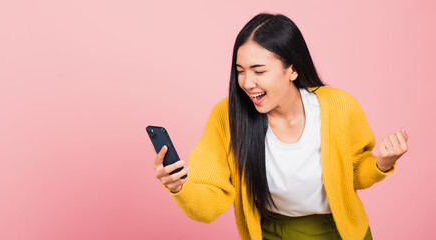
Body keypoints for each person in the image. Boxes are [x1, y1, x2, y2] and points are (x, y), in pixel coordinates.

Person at [152, 13, 408, 240]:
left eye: (259, 71)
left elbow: (353, 173)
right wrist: (180, 187)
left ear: (292, 70)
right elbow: (208, 205)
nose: (247, 82)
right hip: (273, 233)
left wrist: (381, 163)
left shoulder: (338, 106)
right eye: (240, 71)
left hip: (341, 232)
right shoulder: (228, 116)